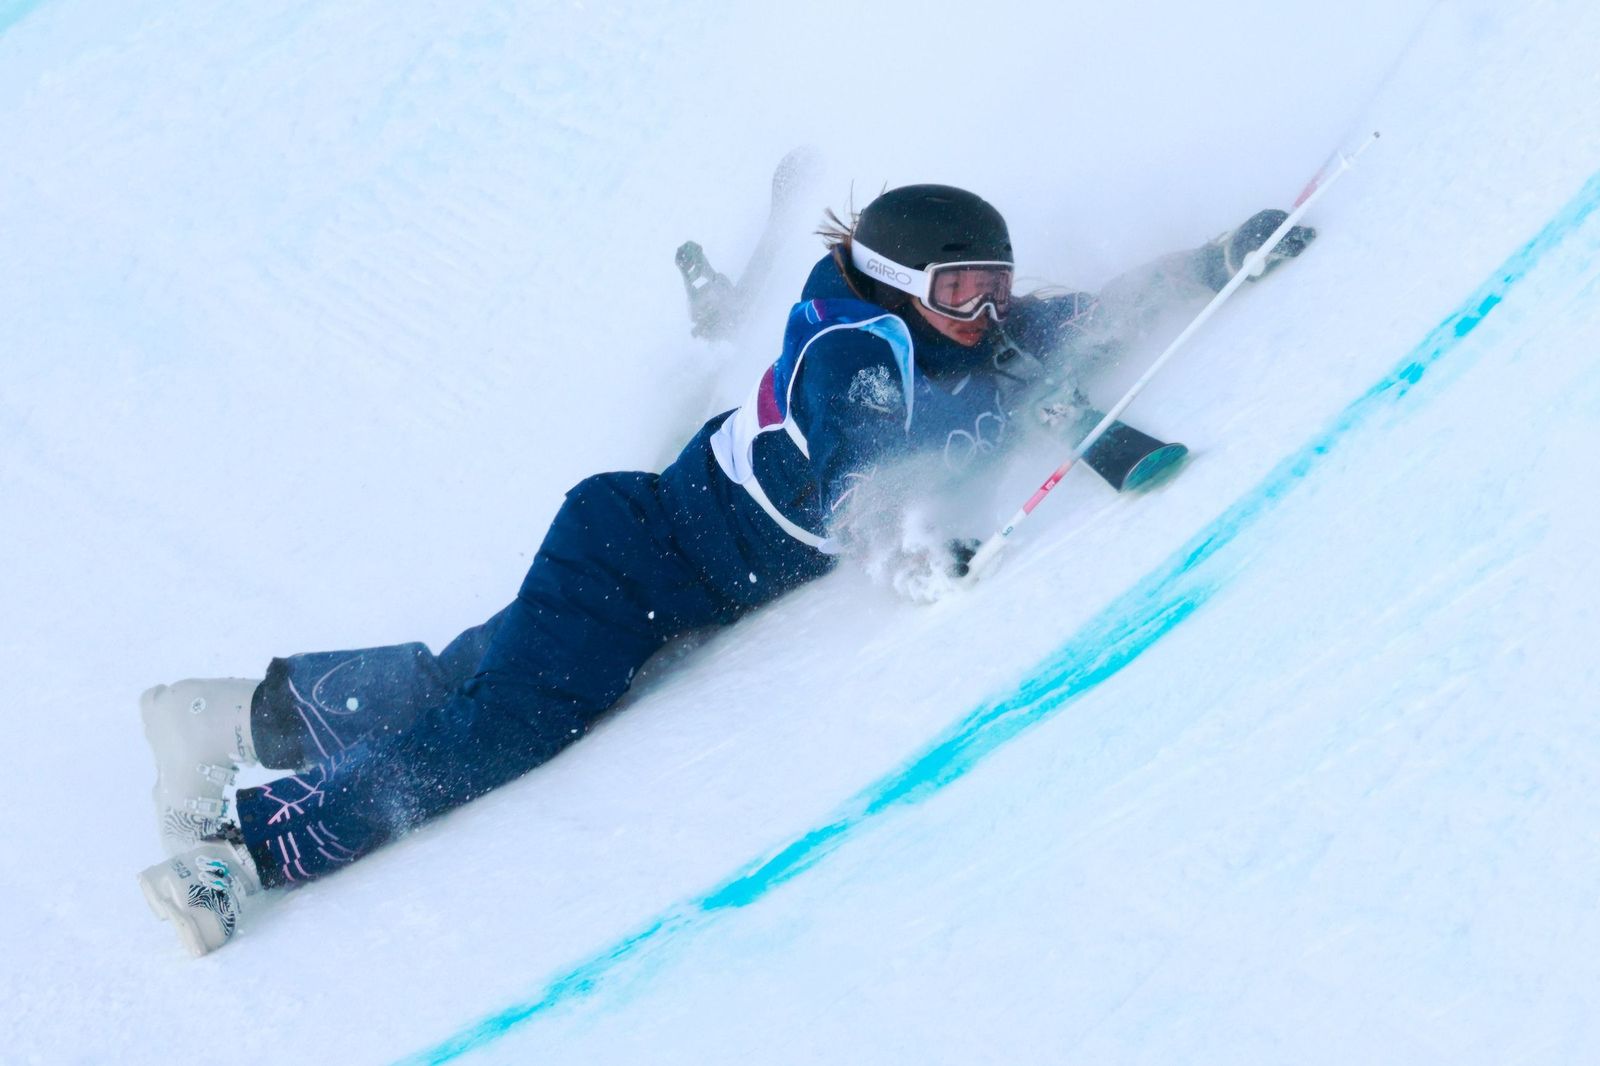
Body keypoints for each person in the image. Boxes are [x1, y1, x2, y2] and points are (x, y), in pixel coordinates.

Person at [137, 184, 1314, 956]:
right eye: (960, 289)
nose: (986, 305)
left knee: (474, 680)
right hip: (643, 555)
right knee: (514, 722)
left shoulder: (970, 332)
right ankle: (240, 850)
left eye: (991, 282)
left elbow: (1086, 316)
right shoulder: (854, 359)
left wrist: (1215, 261)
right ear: (905, 289)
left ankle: (240, 715)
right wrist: (915, 548)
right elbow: (852, 487)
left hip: (657, 554)